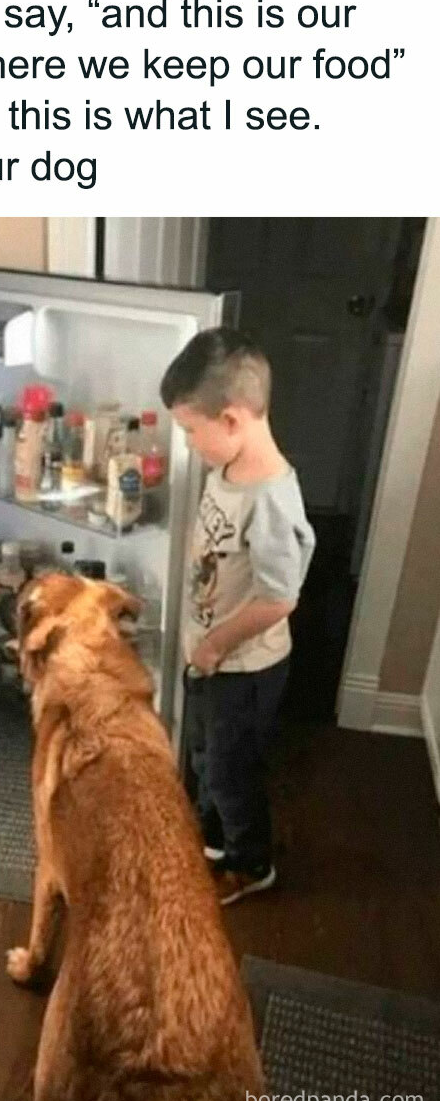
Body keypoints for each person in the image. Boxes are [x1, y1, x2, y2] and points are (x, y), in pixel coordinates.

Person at [160, 328, 315, 905]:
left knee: (231, 768)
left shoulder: (272, 499)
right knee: (203, 754)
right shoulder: (225, 471)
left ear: (230, 421)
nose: (189, 444)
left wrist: (216, 643)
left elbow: (280, 597)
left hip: (243, 667)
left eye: (190, 432)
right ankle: (213, 841)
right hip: (212, 658)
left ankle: (251, 863)